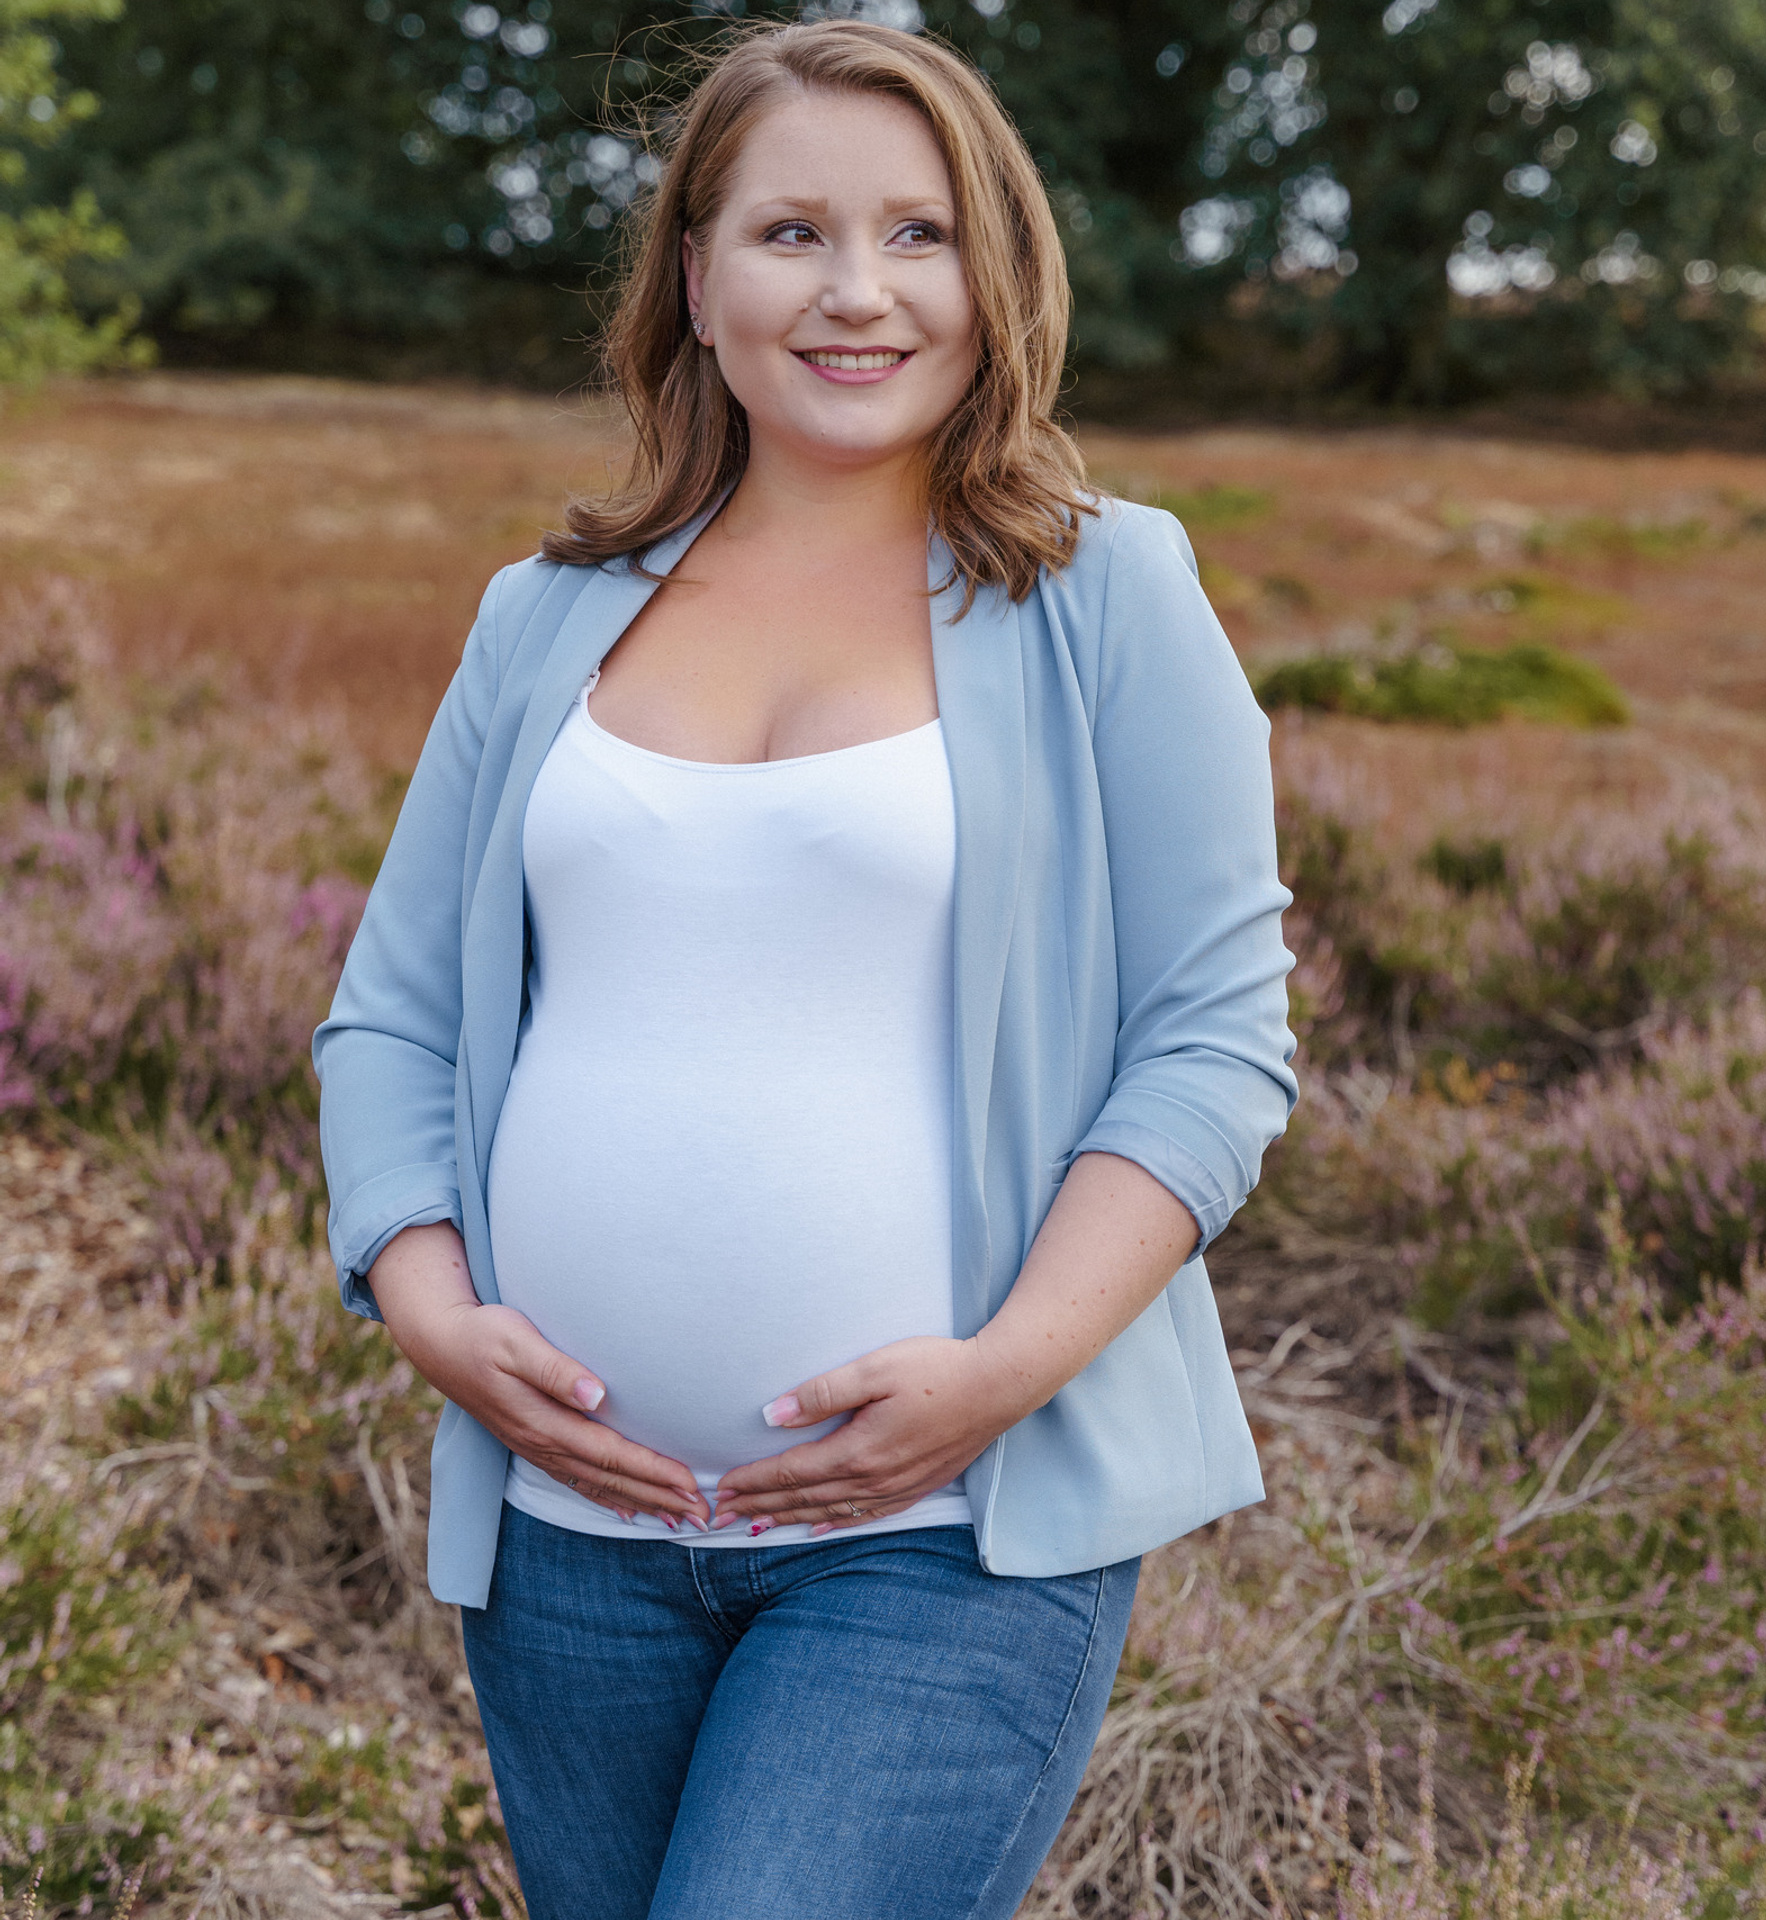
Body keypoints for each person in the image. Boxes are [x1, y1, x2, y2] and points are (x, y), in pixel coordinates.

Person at [313, 18, 1296, 1919]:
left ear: (993, 275)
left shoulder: (1104, 592)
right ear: (695, 274)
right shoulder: (544, 615)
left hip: (948, 1539)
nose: (858, 293)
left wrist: (999, 1374)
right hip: (567, 1538)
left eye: (918, 236)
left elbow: (1213, 1044)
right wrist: (432, 1313)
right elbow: (396, 1015)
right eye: (792, 235)